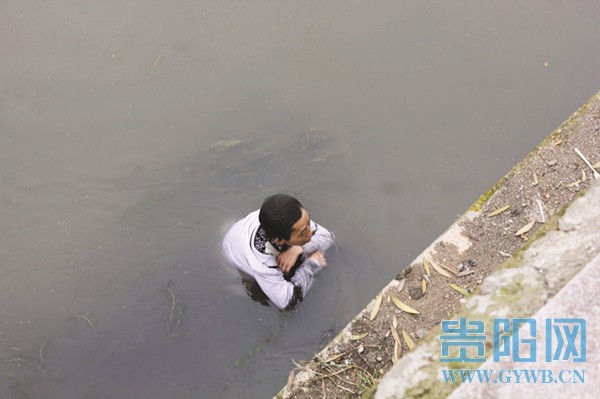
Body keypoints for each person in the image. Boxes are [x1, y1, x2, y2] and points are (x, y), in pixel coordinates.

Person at [222, 194, 335, 310]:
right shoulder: (261, 263)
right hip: (234, 257)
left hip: (239, 231)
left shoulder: (288, 217)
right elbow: (287, 302)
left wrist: (300, 248)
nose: (310, 232)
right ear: (280, 240)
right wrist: (312, 264)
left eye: (308, 222)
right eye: (302, 233)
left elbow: (327, 236)